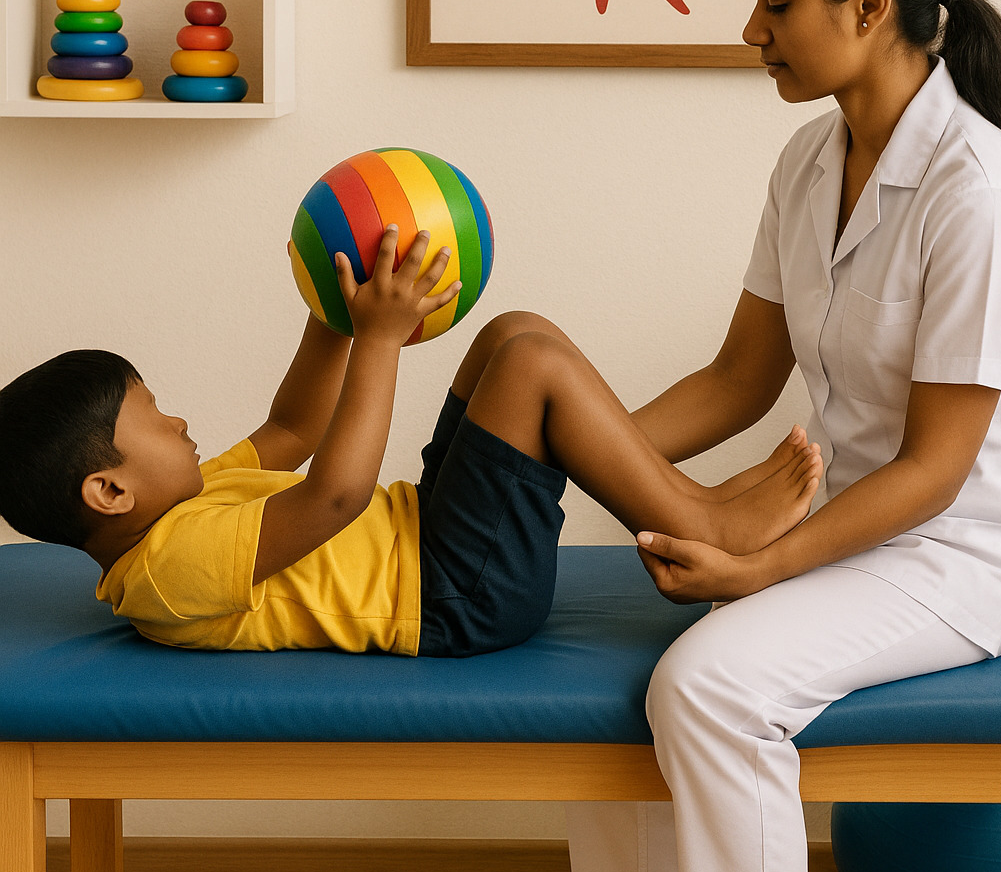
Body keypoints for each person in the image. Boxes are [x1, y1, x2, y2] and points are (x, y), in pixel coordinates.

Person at [567, 0, 1001, 872]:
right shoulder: (808, 159)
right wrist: (579, 442)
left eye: (776, 1)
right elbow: (737, 377)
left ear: (867, 3)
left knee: (712, 689)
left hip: (961, 550)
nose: (750, 28)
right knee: (613, 665)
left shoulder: (979, 188)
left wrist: (757, 564)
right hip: (854, 517)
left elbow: (933, 469)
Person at [0, 230, 821, 657]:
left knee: (514, 332)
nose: (181, 425)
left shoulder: (182, 502)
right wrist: (379, 341)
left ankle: (678, 496)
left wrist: (329, 314)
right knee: (532, 365)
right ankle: (705, 528)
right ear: (109, 491)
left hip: (435, 543)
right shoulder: (171, 570)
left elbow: (292, 431)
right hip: (457, 597)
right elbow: (335, 493)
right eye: (159, 421)